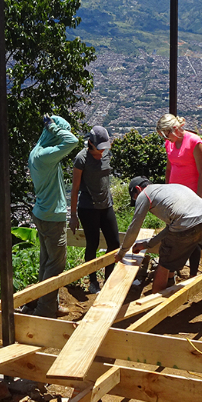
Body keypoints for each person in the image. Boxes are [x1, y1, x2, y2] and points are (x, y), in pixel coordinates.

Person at [120, 177, 202, 325]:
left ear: (138, 189)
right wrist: (148, 244)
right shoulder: (172, 188)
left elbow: (134, 228)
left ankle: (153, 315)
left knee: (164, 265)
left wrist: (122, 252)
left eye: (135, 198)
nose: (136, 200)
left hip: (184, 226)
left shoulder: (144, 195)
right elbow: (170, 227)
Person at [28, 114, 79, 318]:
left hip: (41, 213)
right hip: (51, 217)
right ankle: (45, 309)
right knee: (56, 265)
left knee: (46, 263)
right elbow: (72, 141)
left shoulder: (36, 152)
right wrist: (54, 127)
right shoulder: (44, 156)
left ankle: (44, 302)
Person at [69, 126, 119, 294]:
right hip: (88, 207)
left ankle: (110, 278)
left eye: (105, 147)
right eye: (99, 148)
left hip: (106, 205)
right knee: (93, 244)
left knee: (114, 243)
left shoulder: (106, 154)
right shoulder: (81, 159)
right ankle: (92, 281)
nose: (102, 151)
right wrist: (73, 215)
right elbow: (75, 189)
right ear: (90, 143)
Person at [156, 113, 202, 278]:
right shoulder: (169, 145)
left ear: (175, 129)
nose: (165, 138)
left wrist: (199, 198)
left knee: (192, 234)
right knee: (172, 232)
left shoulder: (194, 142)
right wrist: (166, 190)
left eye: (166, 133)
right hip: (174, 195)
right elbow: (169, 168)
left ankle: (193, 273)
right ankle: (172, 271)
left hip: (191, 195)